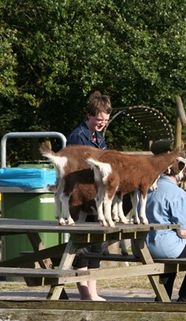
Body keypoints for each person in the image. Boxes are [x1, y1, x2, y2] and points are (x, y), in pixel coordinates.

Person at [67, 90, 112, 301]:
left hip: (97, 196)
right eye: (98, 119)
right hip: (81, 198)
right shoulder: (78, 136)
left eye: (105, 119)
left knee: (98, 244)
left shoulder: (99, 137)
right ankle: (84, 291)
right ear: (89, 116)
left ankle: (92, 291)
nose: (102, 123)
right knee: (82, 245)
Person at [145, 167, 186, 302]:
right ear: (180, 172)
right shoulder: (178, 193)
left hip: (142, 245)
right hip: (163, 246)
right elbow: (183, 232)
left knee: (172, 254)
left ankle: (163, 296)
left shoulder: (148, 188)